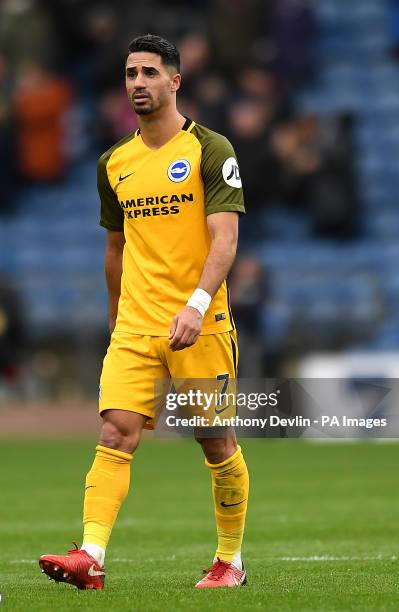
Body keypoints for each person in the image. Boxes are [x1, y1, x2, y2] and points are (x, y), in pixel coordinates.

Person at [39, 34, 249, 590]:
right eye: (131, 73)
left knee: (216, 442)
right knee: (115, 433)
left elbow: (224, 241)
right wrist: (116, 323)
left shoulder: (211, 149)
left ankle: (230, 559)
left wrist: (198, 305)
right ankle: (90, 554)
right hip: (136, 323)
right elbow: (115, 251)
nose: (138, 82)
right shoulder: (114, 162)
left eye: (150, 72)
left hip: (200, 323)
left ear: (175, 81)